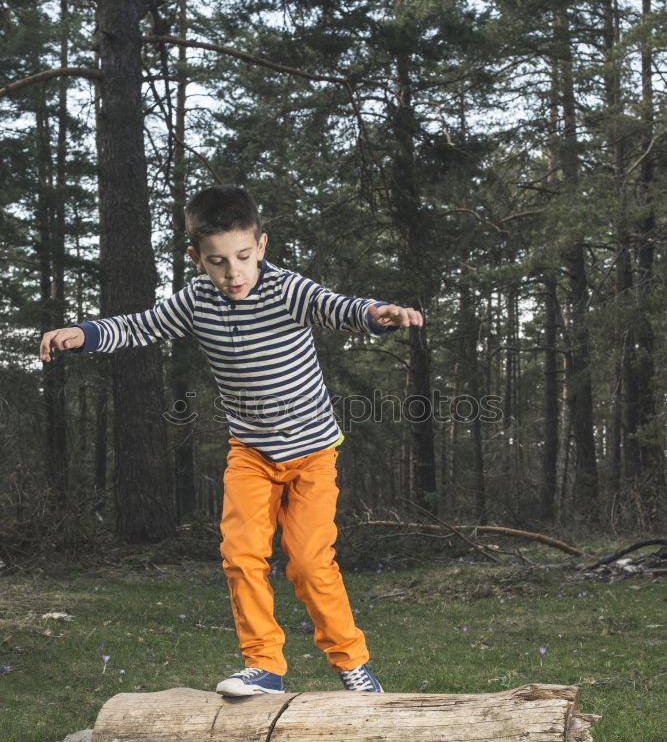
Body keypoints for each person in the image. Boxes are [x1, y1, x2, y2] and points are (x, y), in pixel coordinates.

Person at [40, 185, 423, 696]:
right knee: (241, 554)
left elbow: (337, 306)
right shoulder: (196, 301)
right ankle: (265, 666)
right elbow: (139, 326)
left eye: (243, 258)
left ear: (261, 246)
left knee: (309, 562)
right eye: (217, 262)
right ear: (195, 258)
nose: (233, 273)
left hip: (312, 455)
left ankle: (353, 664)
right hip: (250, 454)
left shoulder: (287, 289)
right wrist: (83, 333)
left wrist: (377, 314)